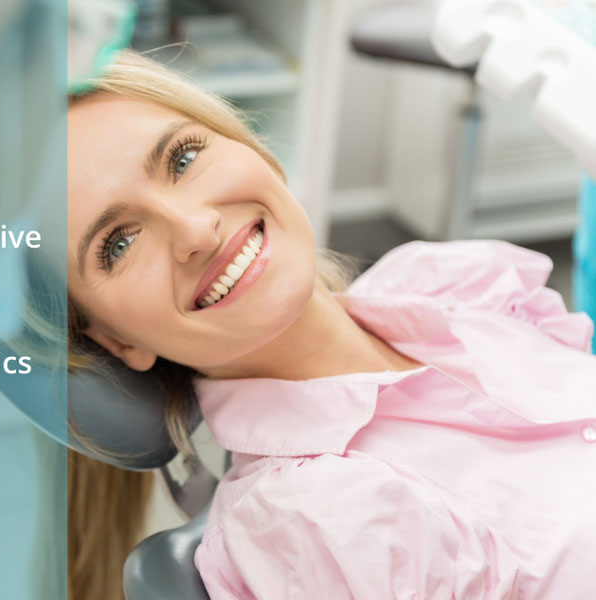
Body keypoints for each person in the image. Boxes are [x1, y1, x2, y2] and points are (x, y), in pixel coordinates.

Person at [66, 50, 596, 598]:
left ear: (253, 150)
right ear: (117, 340)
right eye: (119, 244)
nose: (197, 229)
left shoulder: (442, 285)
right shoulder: (316, 520)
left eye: (181, 160)